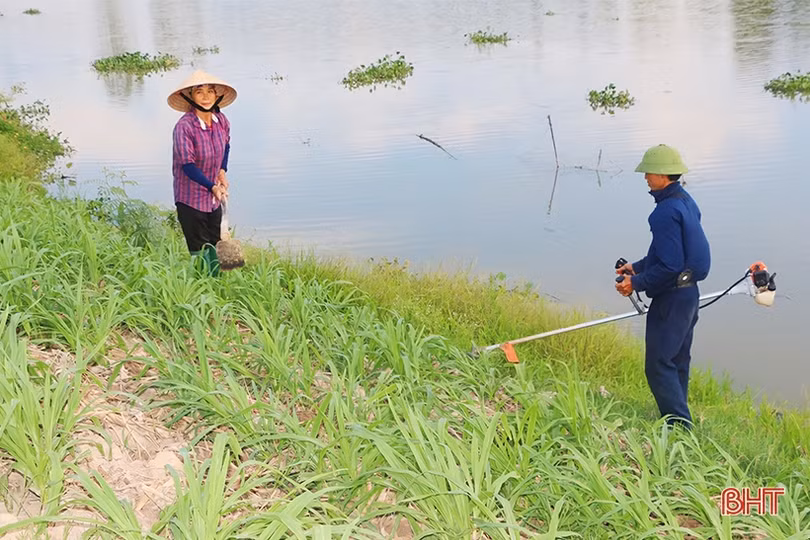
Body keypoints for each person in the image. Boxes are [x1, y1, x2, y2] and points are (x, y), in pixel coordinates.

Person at [615, 144, 711, 427]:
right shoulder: (685, 200)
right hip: (689, 294)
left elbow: (670, 266)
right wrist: (639, 266)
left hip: (671, 299)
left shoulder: (664, 213)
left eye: (648, 172)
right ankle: (680, 421)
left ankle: (679, 426)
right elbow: (672, 254)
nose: (645, 177)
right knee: (678, 359)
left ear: (663, 175)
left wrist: (635, 283)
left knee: (658, 364)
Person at [168, 70, 237, 276]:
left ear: (218, 96)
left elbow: (226, 146)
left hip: (213, 197)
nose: (206, 97)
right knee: (199, 247)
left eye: (210, 91)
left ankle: (219, 284)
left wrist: (222, 171)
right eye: (199, 92)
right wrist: (212, 186)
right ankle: (201, 286)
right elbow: (187, 165)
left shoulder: (221, 121)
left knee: (217, 240)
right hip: (190, 198)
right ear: (190, 97)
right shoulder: (184, 127)